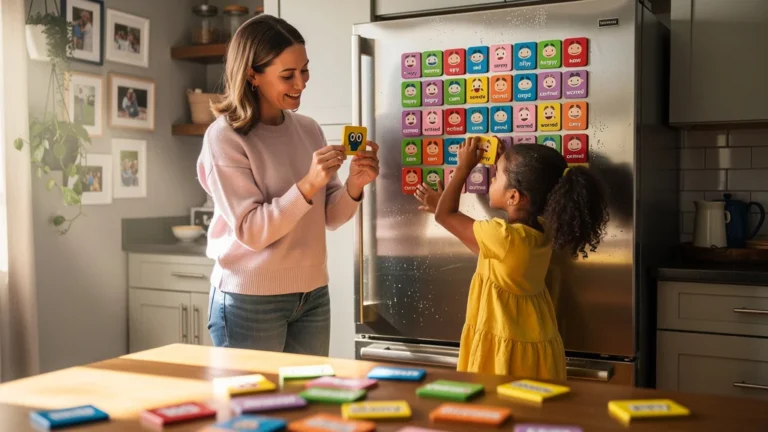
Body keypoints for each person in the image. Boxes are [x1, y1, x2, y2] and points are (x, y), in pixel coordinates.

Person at [196, 15, 380, 356]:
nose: (301, 82)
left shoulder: (308, 128)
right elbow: (252, 231)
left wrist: (355, 185)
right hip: (248, 301)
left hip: (311, 295)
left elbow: (330, 217)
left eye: (304, 70)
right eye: (288, 75)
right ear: (253, 74)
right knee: (254, 408)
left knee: (306, 404)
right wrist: (308, 183)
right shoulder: (225, 137)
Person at [421, 139, 608, 379]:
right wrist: (502, 163)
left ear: (514, 196)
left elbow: (445, 215)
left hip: (505, 355)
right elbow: (479, 240)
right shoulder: (541, 231)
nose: (491, 180)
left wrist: (464, 167)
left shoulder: (503, 239)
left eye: (496, 176)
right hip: (535, 346)